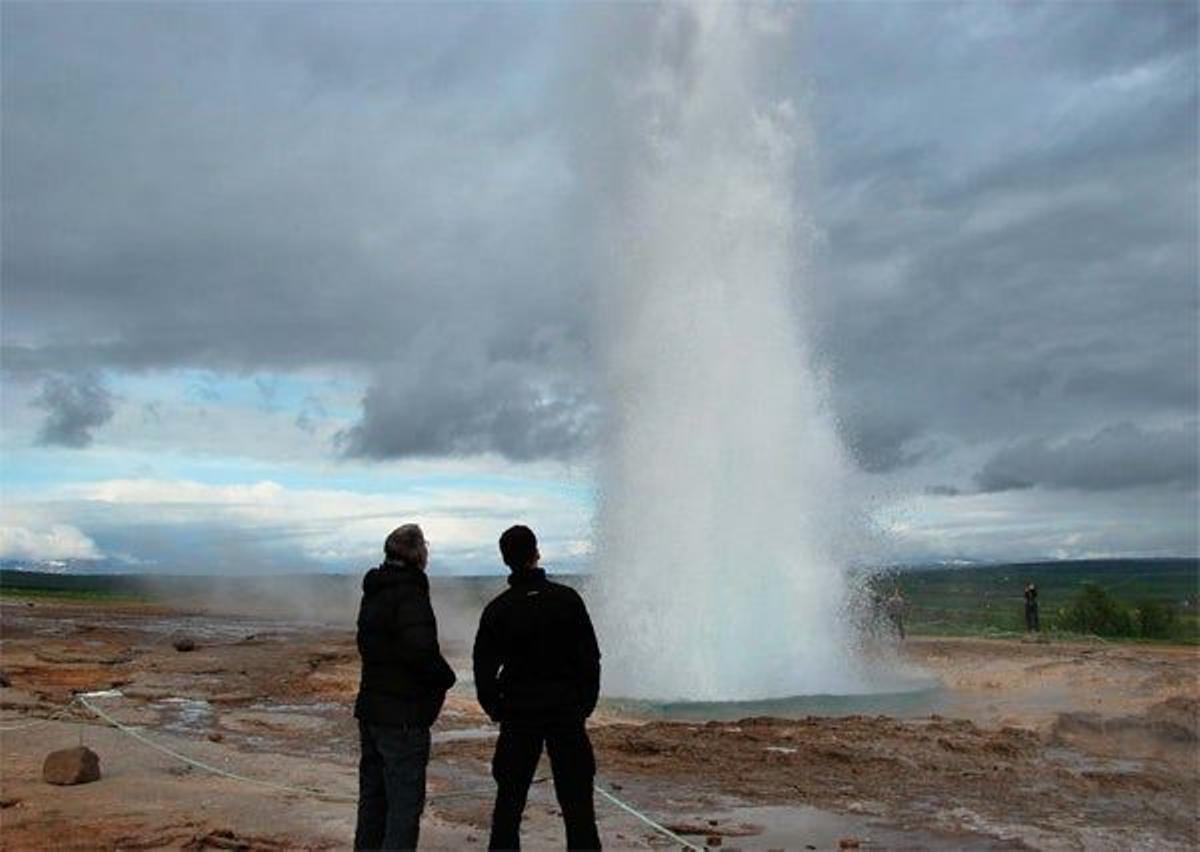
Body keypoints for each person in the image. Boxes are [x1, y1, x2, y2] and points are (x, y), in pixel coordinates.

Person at [473, 525, 602, 851]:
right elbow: (590, 659)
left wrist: (496, 708)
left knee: (509, 805)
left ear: (505, 560)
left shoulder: (499, 609)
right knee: (578, 807)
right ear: (537, 553)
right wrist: (584, 705)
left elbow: (483, 668)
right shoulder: (567, 600)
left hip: (519, 716)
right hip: (565, 715)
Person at [354, 524, 456, 851]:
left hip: (372, 709)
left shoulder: (375, 590)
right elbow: (420, 650)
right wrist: (446, 679)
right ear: (418, 554)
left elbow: (373, 647)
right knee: (403, 806)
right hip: (402, 716)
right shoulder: (409, 593)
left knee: (373, 799)